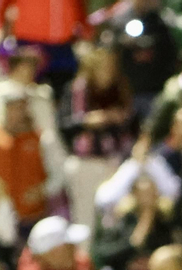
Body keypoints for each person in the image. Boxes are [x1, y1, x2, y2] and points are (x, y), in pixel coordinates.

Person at [61, 43, 135, 232]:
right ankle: (84, 259)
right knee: (85, 220)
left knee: (113, 219)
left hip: (114, 161)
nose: (108, 71)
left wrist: (117, 118)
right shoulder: (77, 89)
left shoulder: (120, 90)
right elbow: (64, 126)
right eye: (103, 66)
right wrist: (88, 121)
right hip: (85, 163)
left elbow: (132, 126)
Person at [0, 82, 67, 229]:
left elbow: (60, 173)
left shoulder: (42, 138)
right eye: (11, 107)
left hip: (33, 215)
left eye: (21, 107)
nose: (16, 113)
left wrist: (42, 190)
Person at [0, 0, 87, 98]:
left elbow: (79, 4)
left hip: (63, 43)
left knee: (65, 88)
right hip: (30, 41)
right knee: (25, 91)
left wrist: (85, 28)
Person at [111, 0, 179, 119]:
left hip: (153, 90)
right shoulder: (120, 18)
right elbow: (111, 51)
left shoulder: (161, 22)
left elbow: (170, 54)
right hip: (126, 91)